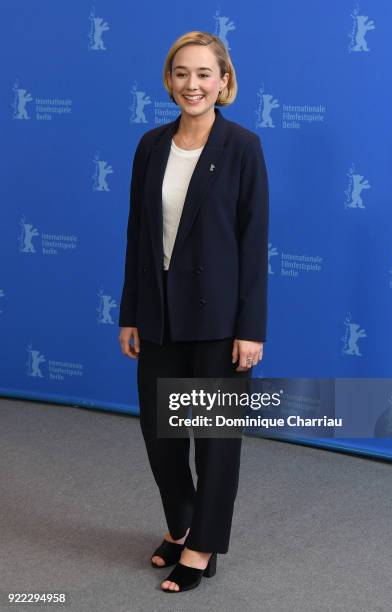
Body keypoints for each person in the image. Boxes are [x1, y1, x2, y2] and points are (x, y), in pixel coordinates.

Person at [118, 30, 269, 593]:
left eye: (204, 74)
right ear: (168, 80)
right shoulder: (151, 145)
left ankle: (203, 545)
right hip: (158, 317)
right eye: (182, 73)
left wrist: (250, 328)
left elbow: (255, 244)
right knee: (161, 434)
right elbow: (138, 235)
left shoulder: (243, 147)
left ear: (224, 82)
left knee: (214, 442)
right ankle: (182, 524)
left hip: (219, 322)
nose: (192, 84)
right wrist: (130, 312)